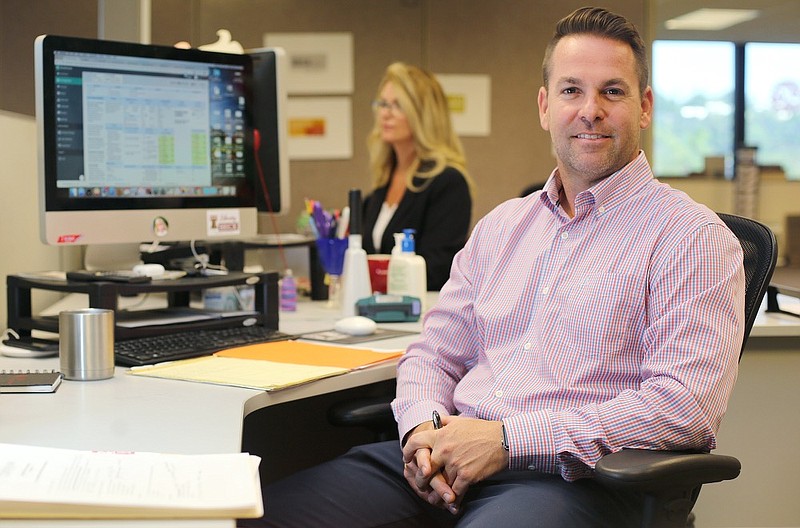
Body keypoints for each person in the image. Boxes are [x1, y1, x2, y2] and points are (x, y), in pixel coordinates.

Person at [250, 7, 745, 527]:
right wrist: (421, 431)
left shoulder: (692, 238)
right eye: (571, 90)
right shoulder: (502, 228)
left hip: (576, 481)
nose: (590, 109)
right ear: (544, 105)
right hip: (446, 457)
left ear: (644, 108)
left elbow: (682, 406)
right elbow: (433, 352)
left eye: (613, 92)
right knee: (263, 514)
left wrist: (509, 441)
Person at [361, 62, 476, 291]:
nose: (385, 113)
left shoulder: (448, 183)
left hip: (421, 315)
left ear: (423, 115)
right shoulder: (381, 185)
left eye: (397, 105)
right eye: (383, 104)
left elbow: (437, 269)